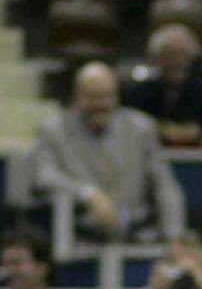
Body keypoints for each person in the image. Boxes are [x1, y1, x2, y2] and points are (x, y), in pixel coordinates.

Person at [34, 61, 186, 243]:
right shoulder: (53, 130)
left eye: (107, 96)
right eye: (93, 96)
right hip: (81, 238)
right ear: (77, 96)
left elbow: (164, 186)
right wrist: (88, 194)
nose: (101, 104)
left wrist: (174, 235)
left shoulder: (141, 128)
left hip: (138, 236)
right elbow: (44, 176)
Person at [124, 23, 202, 148]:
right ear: (157, 58)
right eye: (169, 55)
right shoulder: (138, 93)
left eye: (182, 54)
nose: (176, 61)